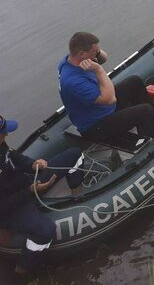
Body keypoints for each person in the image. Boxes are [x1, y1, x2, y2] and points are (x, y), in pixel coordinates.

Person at [0, 115, 85, 276]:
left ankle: (77, 198)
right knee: (45, 231)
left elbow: (14, 157)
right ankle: (23, 270)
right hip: (11, 210)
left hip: (27, 186)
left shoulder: (1, 144)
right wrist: (30, 192)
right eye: (3, 132)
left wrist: (33, 164)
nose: (6, 135)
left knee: (74, 155)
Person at [58, 32, 154, 143]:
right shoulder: (73, 81)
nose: (96, 55)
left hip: (102, 109)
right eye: (94, 52)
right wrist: (98, 70)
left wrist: (97, 52)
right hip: (96, 126)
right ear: (82, 54)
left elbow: (103, 58)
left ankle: (152, 119)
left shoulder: (70, 60)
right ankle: (152, 145)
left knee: (134, 81)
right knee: (145, 111)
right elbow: (110, 99)